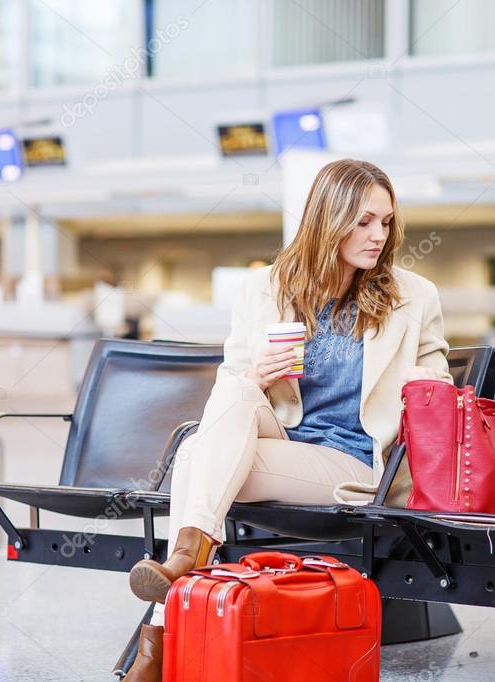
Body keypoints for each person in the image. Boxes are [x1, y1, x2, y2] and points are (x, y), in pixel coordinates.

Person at [123, 159, 452, 679]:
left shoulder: (413, 295)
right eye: (364, 221)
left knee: (194, 456)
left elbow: (440, 389)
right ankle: (184, 567)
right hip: (281, 436)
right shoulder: (265, 288)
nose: (378, 236)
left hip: (354, 462)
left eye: (386, 222)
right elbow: (232, 383)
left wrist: (420, 383)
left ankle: (165, 618)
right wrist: (257, 374)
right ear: (329, 217)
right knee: (233, 392)